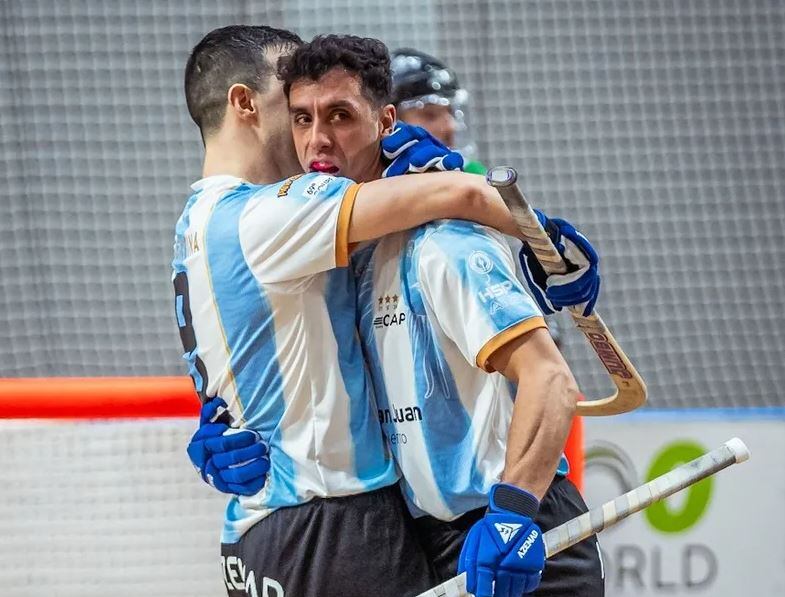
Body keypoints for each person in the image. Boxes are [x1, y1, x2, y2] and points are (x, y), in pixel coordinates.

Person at [175, 25, 535, 597]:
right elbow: (464, 197)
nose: (313, 130)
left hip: (259, 535)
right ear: (246, 102)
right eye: (293, 103)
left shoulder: (195, 225)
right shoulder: (277, 212)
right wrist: (551, 243)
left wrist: (225, 421)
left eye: (335, 114)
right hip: (330, 520)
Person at [277, 35, 605, 596]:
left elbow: (550, 381)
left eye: (339, 116)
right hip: (429, 538)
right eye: (301, 119)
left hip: (513, 527)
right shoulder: (341, 255)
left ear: (384, 122)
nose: (318, 140)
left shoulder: (443, 245)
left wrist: (514, 512)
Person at [390, 47, 486, 174]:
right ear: (389, 120)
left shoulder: (473, 175)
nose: (450, 127)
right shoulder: (365, 181)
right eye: (430, 115)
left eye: (451, 113)